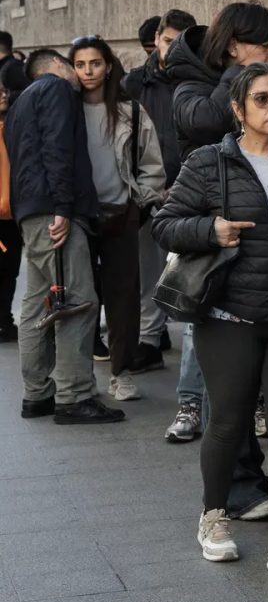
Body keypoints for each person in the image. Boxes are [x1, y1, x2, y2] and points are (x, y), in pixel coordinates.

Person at [153, 62, 268, 580]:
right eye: (262, 99)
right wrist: (208, 229)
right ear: (238, 109)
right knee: (229, 421)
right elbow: (164, 225)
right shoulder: (210, 162)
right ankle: (214, 518)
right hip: (228, 314)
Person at [163, 2, 268, 518]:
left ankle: (249, 481)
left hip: (259, 262)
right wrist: (241, 78)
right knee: (223, 390)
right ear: (235, 47)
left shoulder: (256, 84)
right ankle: (232, 491)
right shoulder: (187, 80)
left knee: (242, 393)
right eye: (264, 44)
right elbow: (203, 121)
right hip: (215, 260)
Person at [6, 50, 125, 424]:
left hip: (30, 211)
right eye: (72, 65)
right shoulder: (55, 89)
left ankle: (38, 394)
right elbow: (58, 148)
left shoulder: (21, 103)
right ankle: (74, 396)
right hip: (53, 212)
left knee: (38, 302)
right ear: (56, 65)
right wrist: (62, 206)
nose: (79, 74)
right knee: (78, 299)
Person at [68, 36, 166, 401]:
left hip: (121, 213)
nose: (88, 71)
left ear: (108, 66)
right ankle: (77, 376)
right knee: (80, 295)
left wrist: (138, 202)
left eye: (95, 63)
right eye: (80, 64)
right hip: (79, 216)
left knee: (123, 297)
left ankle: (121, 372)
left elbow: (152, 165)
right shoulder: (67, 109)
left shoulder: (130, 110)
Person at [122, 9, 198, 372]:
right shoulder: (134, 84)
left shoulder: (199, 79)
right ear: (156, 40)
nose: (173, 48)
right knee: (147, 269)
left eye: (181, 41)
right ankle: (150, 339)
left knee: (193, 271)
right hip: (148, 191)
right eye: (168, 41)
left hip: (192, 191)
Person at [0, 82, 23, 342]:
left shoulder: (14, 127)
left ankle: (4, 319)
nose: (3, 95)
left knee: (10, 269)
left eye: (4, 90)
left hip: (14, 214)